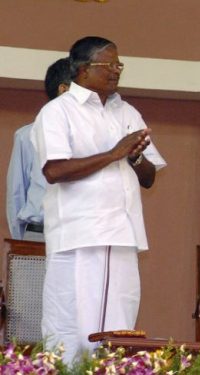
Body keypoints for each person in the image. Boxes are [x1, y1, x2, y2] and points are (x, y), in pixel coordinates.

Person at [32, 36, 166, 364]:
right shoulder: (57, 112)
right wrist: (113, 153)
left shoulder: (128, 111)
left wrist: (133, 158)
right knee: (68, 325)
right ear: (82, 69)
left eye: (119, 64)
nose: (116, 71)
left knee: (118, 325)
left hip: (121, 234)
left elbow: (148, 178)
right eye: (108, 64)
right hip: (78, 234)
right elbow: (54, 170)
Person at [6, 57, 72, 242]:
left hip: (82, 236)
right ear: (63, 90)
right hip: (38, 233)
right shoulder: (27, 135)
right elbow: (16, 193)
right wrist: (21, 244)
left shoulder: (95, 135)